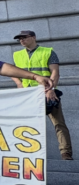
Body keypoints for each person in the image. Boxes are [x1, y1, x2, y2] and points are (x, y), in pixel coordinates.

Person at [12, 30, 72, 160]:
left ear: (34, 37)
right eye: (19, 39)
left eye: (24, 37)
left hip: (47, 93)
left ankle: (65, 152)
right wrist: (19, 83)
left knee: (58, 123)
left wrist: (51, 89)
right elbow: (12, 72)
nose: (21, 40)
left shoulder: (48, 52)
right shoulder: (17, 55)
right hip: (28, 95)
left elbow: (55, 73)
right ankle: (31, 154)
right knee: (28, 125)